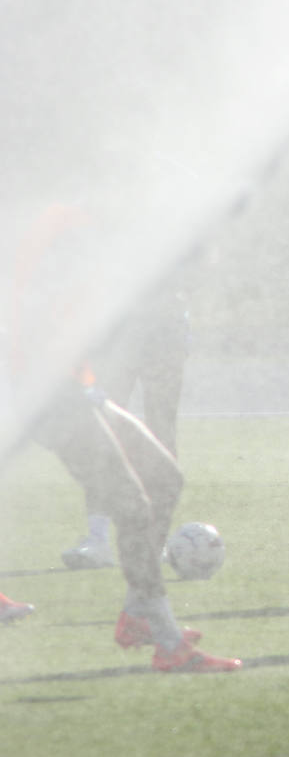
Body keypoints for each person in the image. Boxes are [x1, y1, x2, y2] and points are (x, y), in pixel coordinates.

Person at [8, 201, 240, 672]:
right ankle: (169, 644)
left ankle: (137, 613)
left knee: (166, 479)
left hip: (77, 385)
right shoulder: (67, 229)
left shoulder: (92, 230)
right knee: (133, 506)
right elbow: (33, 309)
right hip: (48, 391)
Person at [60, 276, 191, 570]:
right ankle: (98, 539)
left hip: (165, 326)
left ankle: (152, 542)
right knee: (102, 428)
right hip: (123, 326)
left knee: (161, 432)